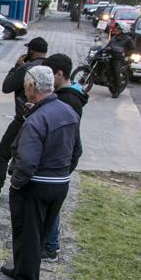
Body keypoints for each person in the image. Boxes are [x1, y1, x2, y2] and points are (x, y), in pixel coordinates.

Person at [0, 66, 81, 280]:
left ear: (32, 87)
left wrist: (16, 184)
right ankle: (22, 269)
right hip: (59, 183)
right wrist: (62, 173)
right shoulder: (67, 111)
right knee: (39, 234)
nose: (25, 90)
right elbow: (77, 151)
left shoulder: (37, 120)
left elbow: (27, 161)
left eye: (26, 86)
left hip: (34, 185)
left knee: (27, 234)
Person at [0, 36, 48, 205]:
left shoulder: (27, 68)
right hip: (43, 120)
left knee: (2, 154)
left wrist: (16, 67)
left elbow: (6, 87)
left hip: (23, 119)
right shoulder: (50, 68)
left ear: (31, 51)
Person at [41, 53, 87, 261]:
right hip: (62, 160)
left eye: (51, 75)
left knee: (51, 208)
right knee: (51, 206)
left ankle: (50, 247)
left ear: (60, 74)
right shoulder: (72, 94)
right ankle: (48, 243)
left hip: (57, 161)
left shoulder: (67, 99)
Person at [105, 21, 135, 89]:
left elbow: (133, 49)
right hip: (111, 56)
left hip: (119, 58)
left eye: (118, 28)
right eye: (116, 28)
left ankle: (117, 88)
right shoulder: (114, 37)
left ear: (123, 30)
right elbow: (108, 45)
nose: (116, 29)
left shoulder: (128, 39)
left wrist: (124, 53)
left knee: (116, 71)